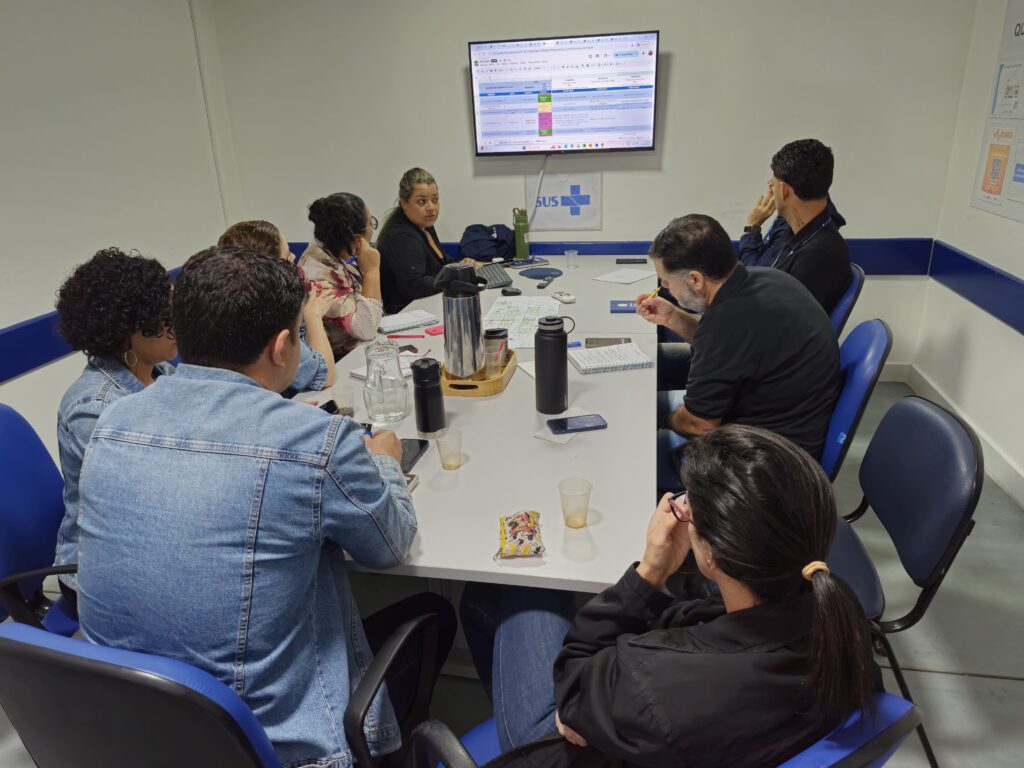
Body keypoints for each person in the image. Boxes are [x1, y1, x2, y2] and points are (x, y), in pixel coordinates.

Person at [75, 246, 456, 767]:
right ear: (281, 347)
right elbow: (389, 546)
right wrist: (386, 462)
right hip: (268, 746)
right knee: (434, 612)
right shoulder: (315, 440)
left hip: (124, 735)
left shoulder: (111, 424)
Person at [460, 425, 880, 768]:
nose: (681, 511)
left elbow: (574, 686)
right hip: (677, 735)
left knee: (528, 588)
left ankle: (518, 743)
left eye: (688, 508)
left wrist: (650, 573)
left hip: (577, 737)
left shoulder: (656, 687)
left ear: (711, 553)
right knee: (482, 602)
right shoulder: (837, 611)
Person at [636, 214, 839, 488]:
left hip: (766, 461)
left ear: (695, 280)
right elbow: (724, 345)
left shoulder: (728, 322)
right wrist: (673, 317)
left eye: (666, 281)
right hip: (791, 425)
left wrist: (660, 418)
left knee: (635, 452)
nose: (664, 288)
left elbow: (699, 424)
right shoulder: (766, 279)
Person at [53, 248, 177, 599]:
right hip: (96, 572)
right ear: (126, 330)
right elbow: (149, 499)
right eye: (163, 317)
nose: (175, 326)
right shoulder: (94, 408)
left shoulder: (162, 373)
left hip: (148, 545)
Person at [218, 219, 336, 395]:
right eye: (287, 255)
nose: (293, 257)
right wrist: (313, 315)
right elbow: (323, 376)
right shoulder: (268, 316)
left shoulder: (226, 305)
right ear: (272, 269)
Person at [738, 139, 851, 313]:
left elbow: (775, 318)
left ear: (783, 189)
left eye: (774, 179)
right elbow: (755, 277)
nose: (770, 183)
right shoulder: (796, 233)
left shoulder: (817, 255)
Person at [299, 193, 384, 359]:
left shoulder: (329, 257)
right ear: (357, 237)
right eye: (370, 224)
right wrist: (372, 271)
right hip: (337, 363)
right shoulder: (318, 273)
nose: (372, 229)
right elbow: (366, 329)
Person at [377, 167, 453, 314]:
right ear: (404, 203)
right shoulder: (401, 237)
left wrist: (463, 266)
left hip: (427, 306)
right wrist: (456, 279)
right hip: (406, 314)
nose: (431, 208)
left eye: (435, 199)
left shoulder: (424, 225)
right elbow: (415, 286)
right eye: (421, 201)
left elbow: (441, 263)